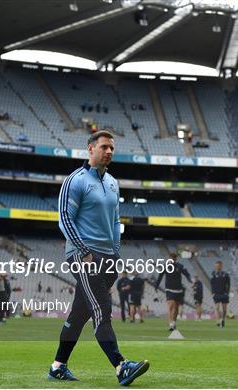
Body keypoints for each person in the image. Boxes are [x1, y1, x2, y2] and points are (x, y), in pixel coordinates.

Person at [49, 130, 149, 385]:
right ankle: (121, 366)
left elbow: (116, 221)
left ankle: (58, 366)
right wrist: (84, 252)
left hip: (108, 258)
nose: (109, 152)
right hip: (84, 257)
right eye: (104, 147)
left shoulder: (113, 182)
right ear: (90, 149)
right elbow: (65, 219)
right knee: (102, 309)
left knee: (78, 314)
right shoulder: (76, 180)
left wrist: (116, 251)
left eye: (112, 148)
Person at [155, 253, 191, 331]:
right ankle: (171, 324)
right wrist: (156, 286)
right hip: (169, 289)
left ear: (175, 259)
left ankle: (174, 322)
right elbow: (160, 276)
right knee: (171, 305)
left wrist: (190, 280)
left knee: (176, 307)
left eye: (173, 258)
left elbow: (186, 274)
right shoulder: (165, 266)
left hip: (178, 289)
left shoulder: (180, 266)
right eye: (170, 258)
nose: (172, 260)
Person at [211, 261, 231, 327]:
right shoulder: (213, 274)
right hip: (216, 293)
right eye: (216, 266)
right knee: (216, 308)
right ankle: (218, 321)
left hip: (224, 293)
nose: (217, 267)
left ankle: (223, 319)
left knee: (224, 309)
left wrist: (227, 293)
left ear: (221, 266)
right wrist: (213, 292)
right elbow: (212, 283)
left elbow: (228, 284)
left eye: (218, 266)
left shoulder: (225, 274)